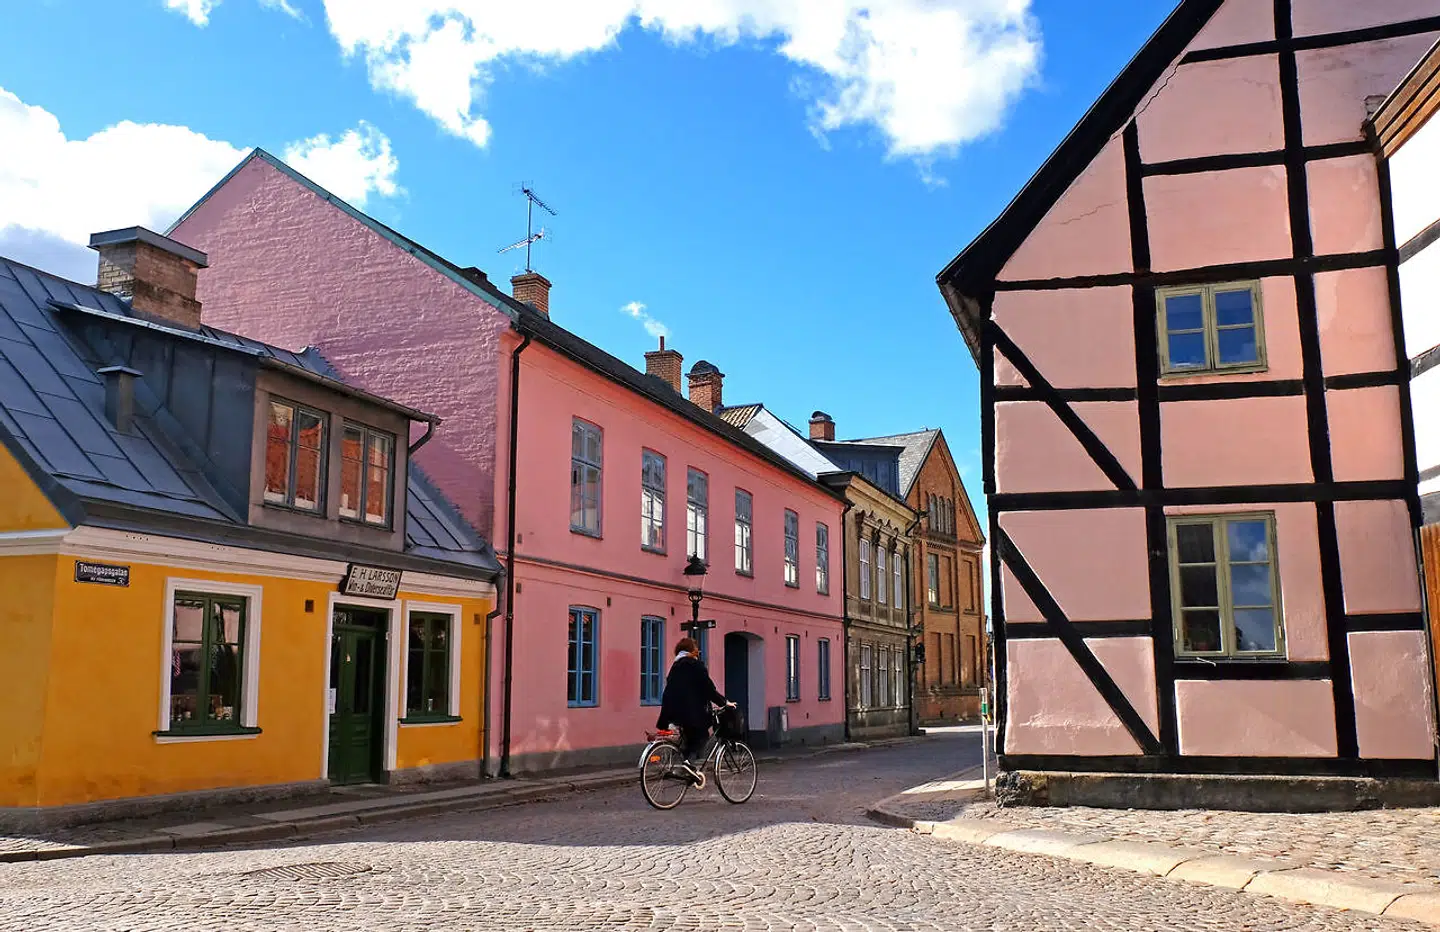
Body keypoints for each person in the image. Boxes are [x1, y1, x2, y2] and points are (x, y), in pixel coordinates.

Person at [656, 636, 732, 785]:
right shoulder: (696, 666)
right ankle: (688, 764)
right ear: (693, 651)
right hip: (689, 711)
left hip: (671, 710)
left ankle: (685, 769)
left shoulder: (675, 666)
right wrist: (724, 702)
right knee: (702, 735)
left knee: (688, 738)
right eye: (696, 649)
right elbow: (708, 689)